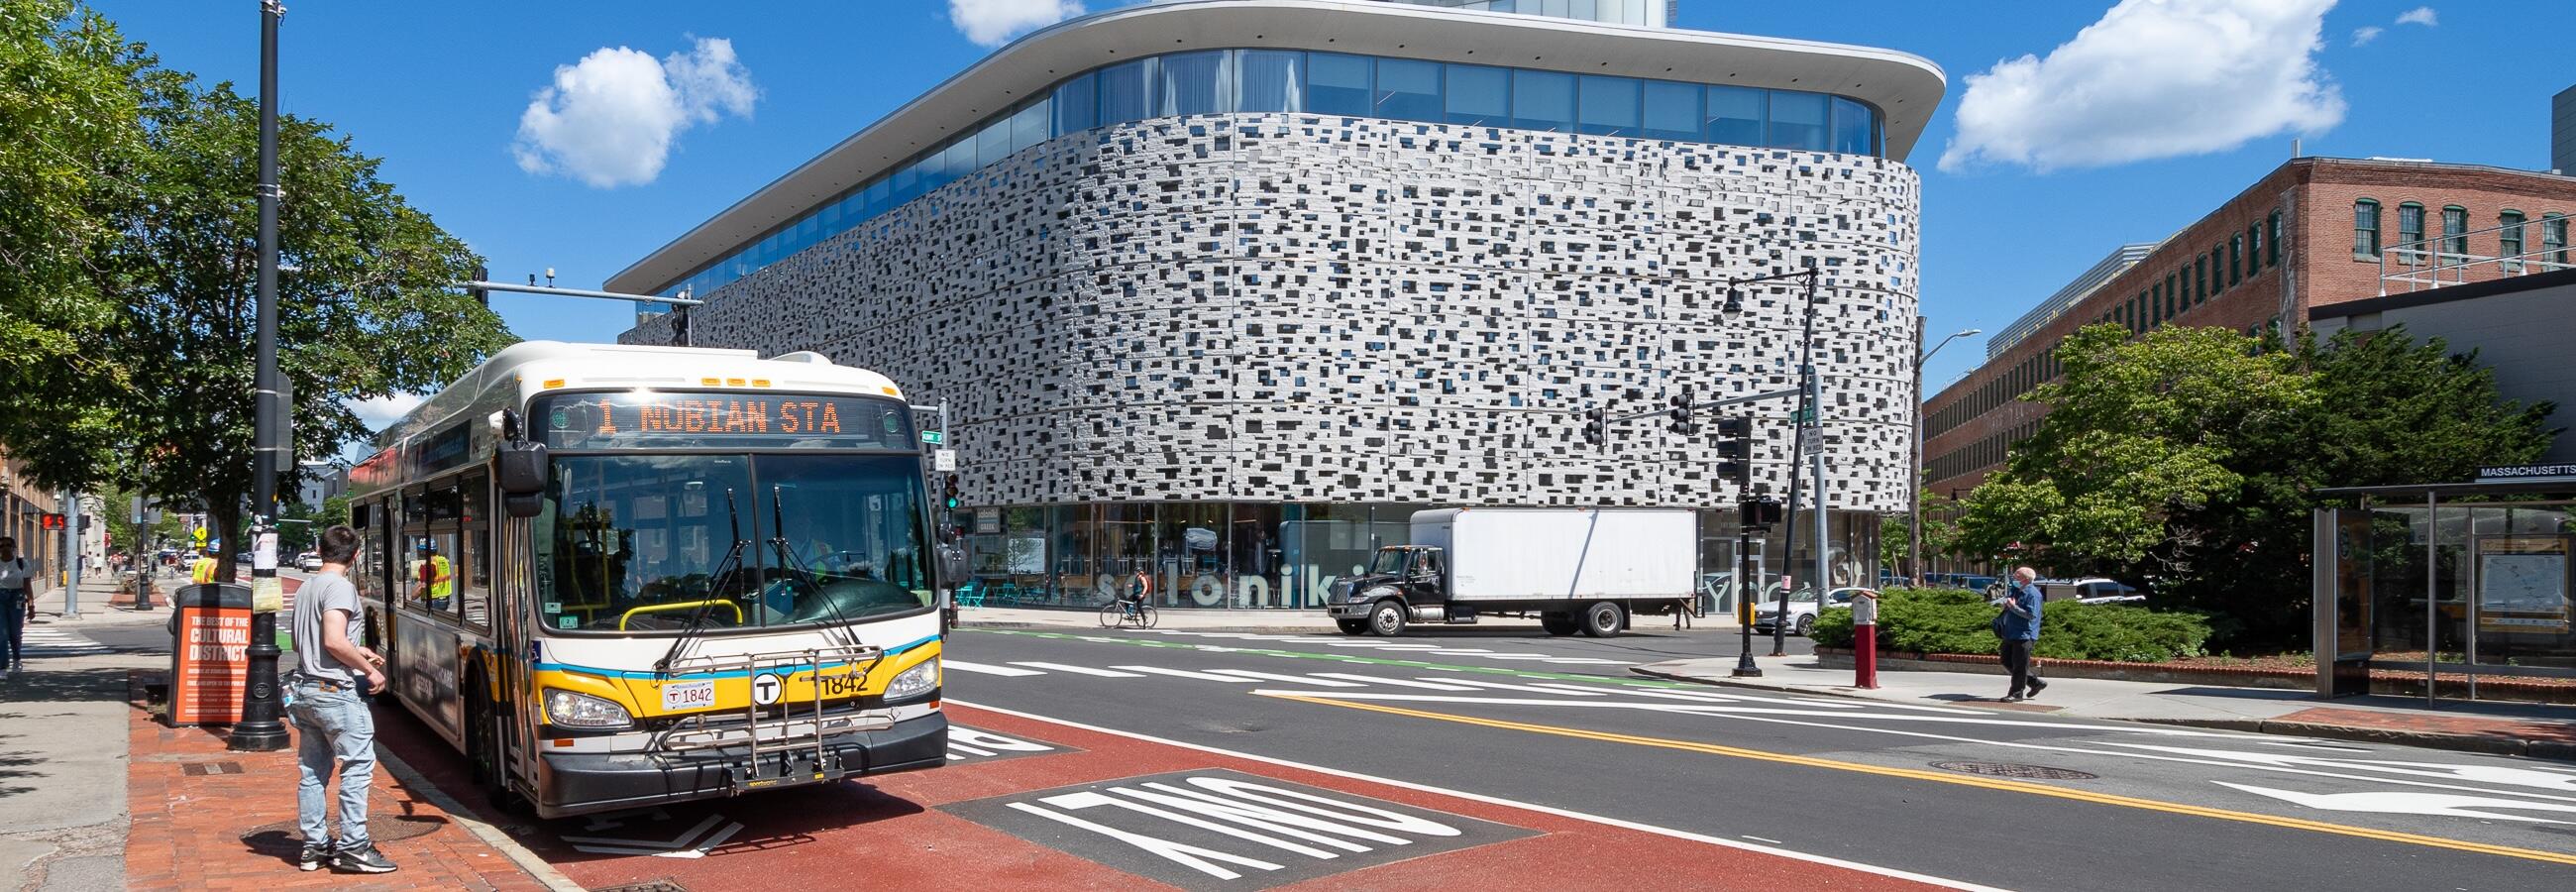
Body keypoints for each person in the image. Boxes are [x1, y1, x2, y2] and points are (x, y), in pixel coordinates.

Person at [287, 525, 397, 874]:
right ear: (355, 555)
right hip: (334, 693)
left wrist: (356, 650)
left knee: (312, 773)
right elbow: (334, 641)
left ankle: (314, 846)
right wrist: (369, 669)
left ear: (320, 551)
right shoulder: (340, 587)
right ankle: (354, 847)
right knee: (356, 769)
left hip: (305, 688)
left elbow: (309, 643)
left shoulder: (308, 587)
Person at [1998, 567, 2047, 701]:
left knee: (2020, 665)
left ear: (2025, 578)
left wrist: (2013, 607)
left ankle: (2016, 694)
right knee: (2006, 660)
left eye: (2016, 576)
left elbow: (2031, 615)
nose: (2014, 579)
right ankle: (2035, 682)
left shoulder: (2033, 594)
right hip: (2011, 632)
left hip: (2024, 634)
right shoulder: (2016, 590)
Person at [0, 537, 35, 676]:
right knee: (2, 634)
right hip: (0, 598)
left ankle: (16, 658)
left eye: (8, 545)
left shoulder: (21, 563)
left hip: (17, 598)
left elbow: (27, 586)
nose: (5, 547)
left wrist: (31, 606)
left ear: (14, 548)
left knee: (14, 633)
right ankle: (2, 667)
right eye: (2, 545)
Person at [413, 540, 453, 613]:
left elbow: (423, 586)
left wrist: (413, 596)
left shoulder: (428, 565)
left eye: (422, 550)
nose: (422, 552)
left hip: (432, 600)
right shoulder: (443, 560)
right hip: (444, 600)